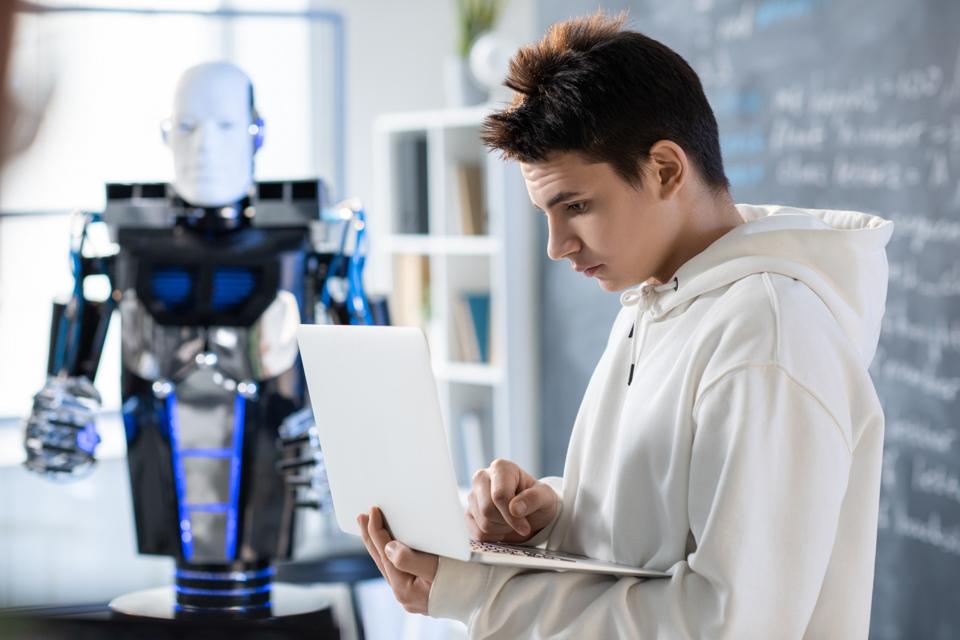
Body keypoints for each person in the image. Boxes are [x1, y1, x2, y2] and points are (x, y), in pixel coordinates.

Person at [358, 11, 893, 638]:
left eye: (577, 206)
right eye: (546, 213)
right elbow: (656, 539)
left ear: (665, 170)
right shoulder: (658, 300)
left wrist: (486, 596)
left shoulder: (767, 336)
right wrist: (549, 519)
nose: (557, 246)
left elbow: (732, 623)